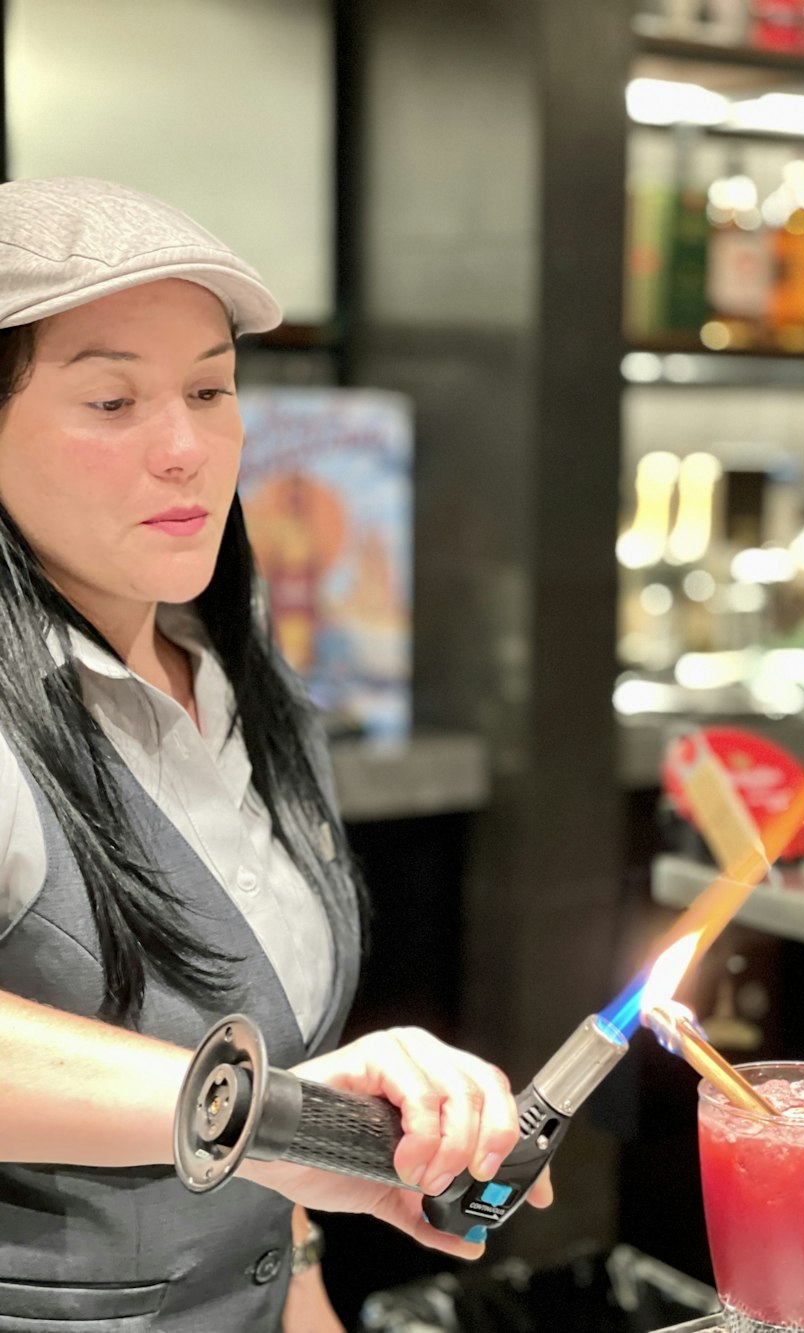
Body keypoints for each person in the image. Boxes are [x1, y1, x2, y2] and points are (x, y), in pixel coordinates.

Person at [0, 177, 551, 1332]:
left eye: (212, 388)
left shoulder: (241, 677)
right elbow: (261, 1106)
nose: (186, 449)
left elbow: (273, 1150)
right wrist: (275, 1112)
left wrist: (305, 1285)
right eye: (111, 400)